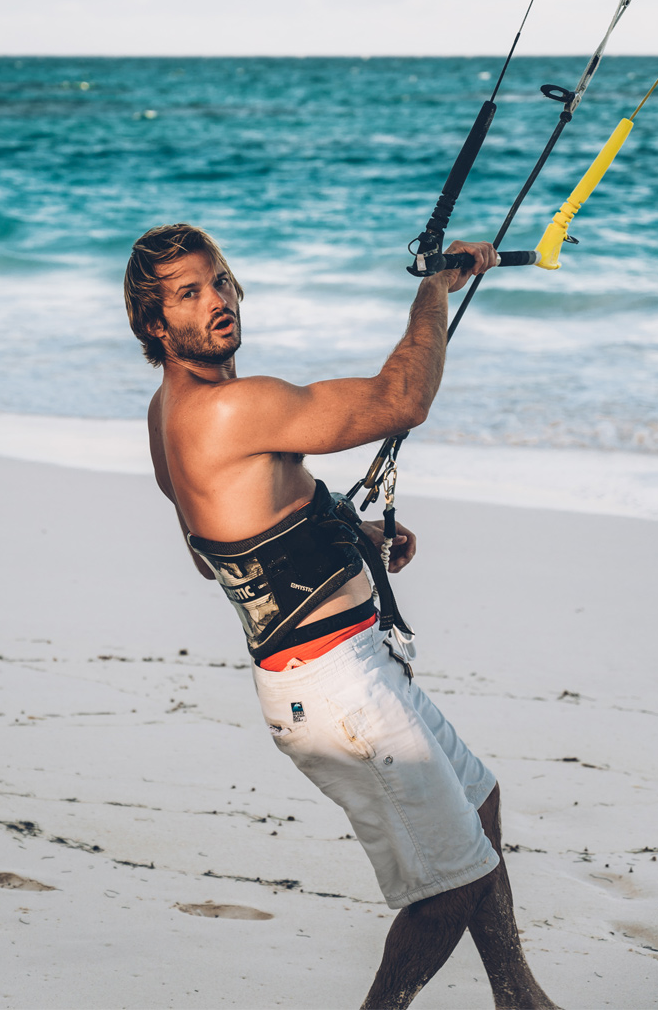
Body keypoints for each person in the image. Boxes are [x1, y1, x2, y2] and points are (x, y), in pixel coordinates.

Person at [125, 222, 557, 1010]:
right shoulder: (233, 408)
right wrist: (435, 289)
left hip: (343, 669)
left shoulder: (170, 416)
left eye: (219, 279)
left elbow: (214, 543)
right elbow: (404, 400)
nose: (217, 299)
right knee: (450, 885)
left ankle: (519, 998)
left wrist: (345, 533)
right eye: (190, 293)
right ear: (155, 324)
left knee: (481, 801)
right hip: (332, 687)